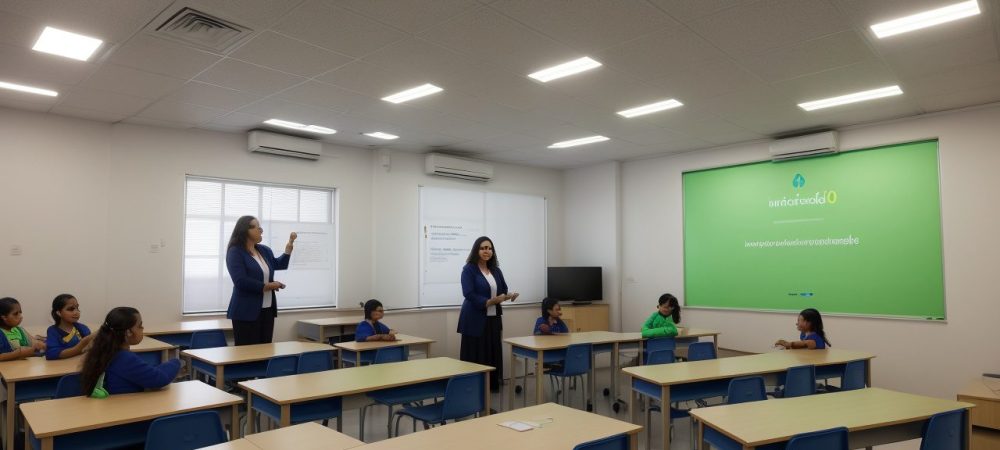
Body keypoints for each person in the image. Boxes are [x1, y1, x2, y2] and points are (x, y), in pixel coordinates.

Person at [457, 236, 518, 393]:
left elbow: (503, 289)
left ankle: (491, 385)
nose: (487, 251)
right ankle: (472, 387)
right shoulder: (468, 269)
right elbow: (468, 293)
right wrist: (489, 302)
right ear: (477, 250)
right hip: (474, 319)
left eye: (489, 248)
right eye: (483, 248)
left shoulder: (496, 270)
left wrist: (509, 295)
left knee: (492, 351)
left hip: (493, 319)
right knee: (476, 354)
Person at [225, 215, 296, 345]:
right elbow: (240, 281)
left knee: (265, 351)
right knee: (247, 355)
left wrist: (287, 251)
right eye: (258, 228)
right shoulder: (235, 252)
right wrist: (268, 286)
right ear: (246, 230)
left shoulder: (264, 250)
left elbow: (278, 264)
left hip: (267, 310)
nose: (261, 231)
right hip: (245, 311)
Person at [80, 307, 181, 396]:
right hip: (126, 410)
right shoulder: (124, 358)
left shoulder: (104, 351)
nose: (143, 328)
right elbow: (159, 379)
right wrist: (176, 362)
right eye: (140, 326)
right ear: (128, 332)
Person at [45, 294, 94, 360]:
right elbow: (51, 354)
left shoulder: (83, 328)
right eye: (71, 309)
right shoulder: (53, 331)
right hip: (61, 367)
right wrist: (79, 347)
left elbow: (91, 348)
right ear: (59, 312)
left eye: (77, 308)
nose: (76, 312)